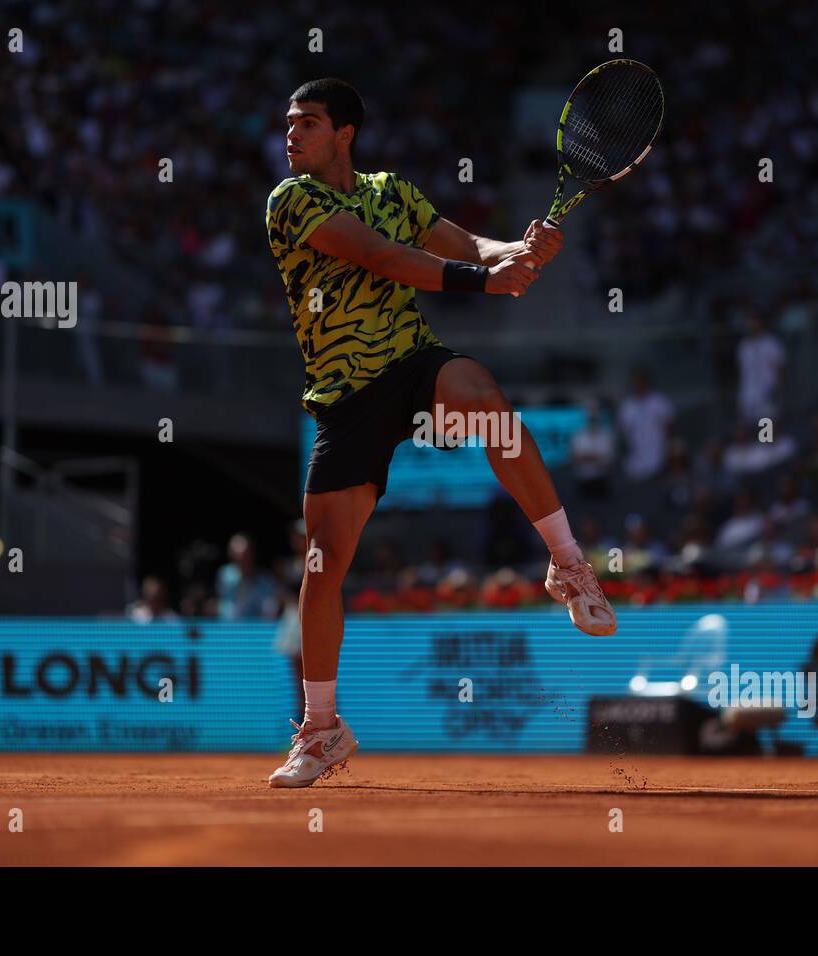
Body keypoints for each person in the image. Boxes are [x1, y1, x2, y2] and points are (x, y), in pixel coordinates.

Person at [263, 78, 616, 787]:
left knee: (484, 396)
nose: (292, 135)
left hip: (411, 363)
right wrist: (488, 281)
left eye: (308, 123)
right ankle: (323, 731)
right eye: (290, 124)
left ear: (345, 134)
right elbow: (383, 258)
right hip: (343, 393)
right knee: (325, 564)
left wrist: (517, 249)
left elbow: (466, 244)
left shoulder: (393, 190)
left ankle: (568, 564)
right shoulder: (291, 199)